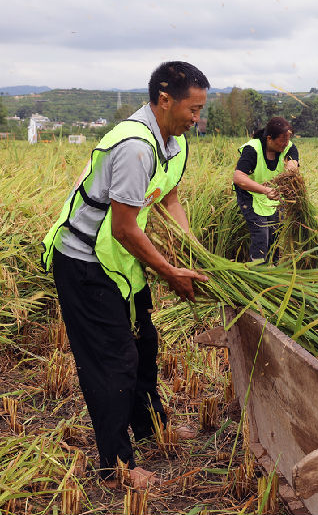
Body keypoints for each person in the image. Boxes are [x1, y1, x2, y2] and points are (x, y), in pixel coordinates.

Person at [40, 61, 210, 489]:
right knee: (113, 362)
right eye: (192, 109)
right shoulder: (135, 147)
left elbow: (169, 198)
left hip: (120, 263)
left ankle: (153, 429)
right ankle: (116, 466)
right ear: (164, 99)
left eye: (201, 109)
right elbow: (124, 227)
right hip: (84, 263)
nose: (197, 118)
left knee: (144, 347)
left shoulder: (173, 142)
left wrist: (188, 245)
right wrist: (170, 271)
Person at [232, 117, 298, 263]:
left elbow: (293, 162)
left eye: (287, 140)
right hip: (250, 195)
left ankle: (273, 270)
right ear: (269, 138)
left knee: (275, 233)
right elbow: (238, 177)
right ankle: (257, 273)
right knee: (261, 234)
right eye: (282, 140)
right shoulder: (253, 149)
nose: (285, 144)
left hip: (273, 197)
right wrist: (264, 190)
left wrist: (290, 170)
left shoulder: (287, 147)